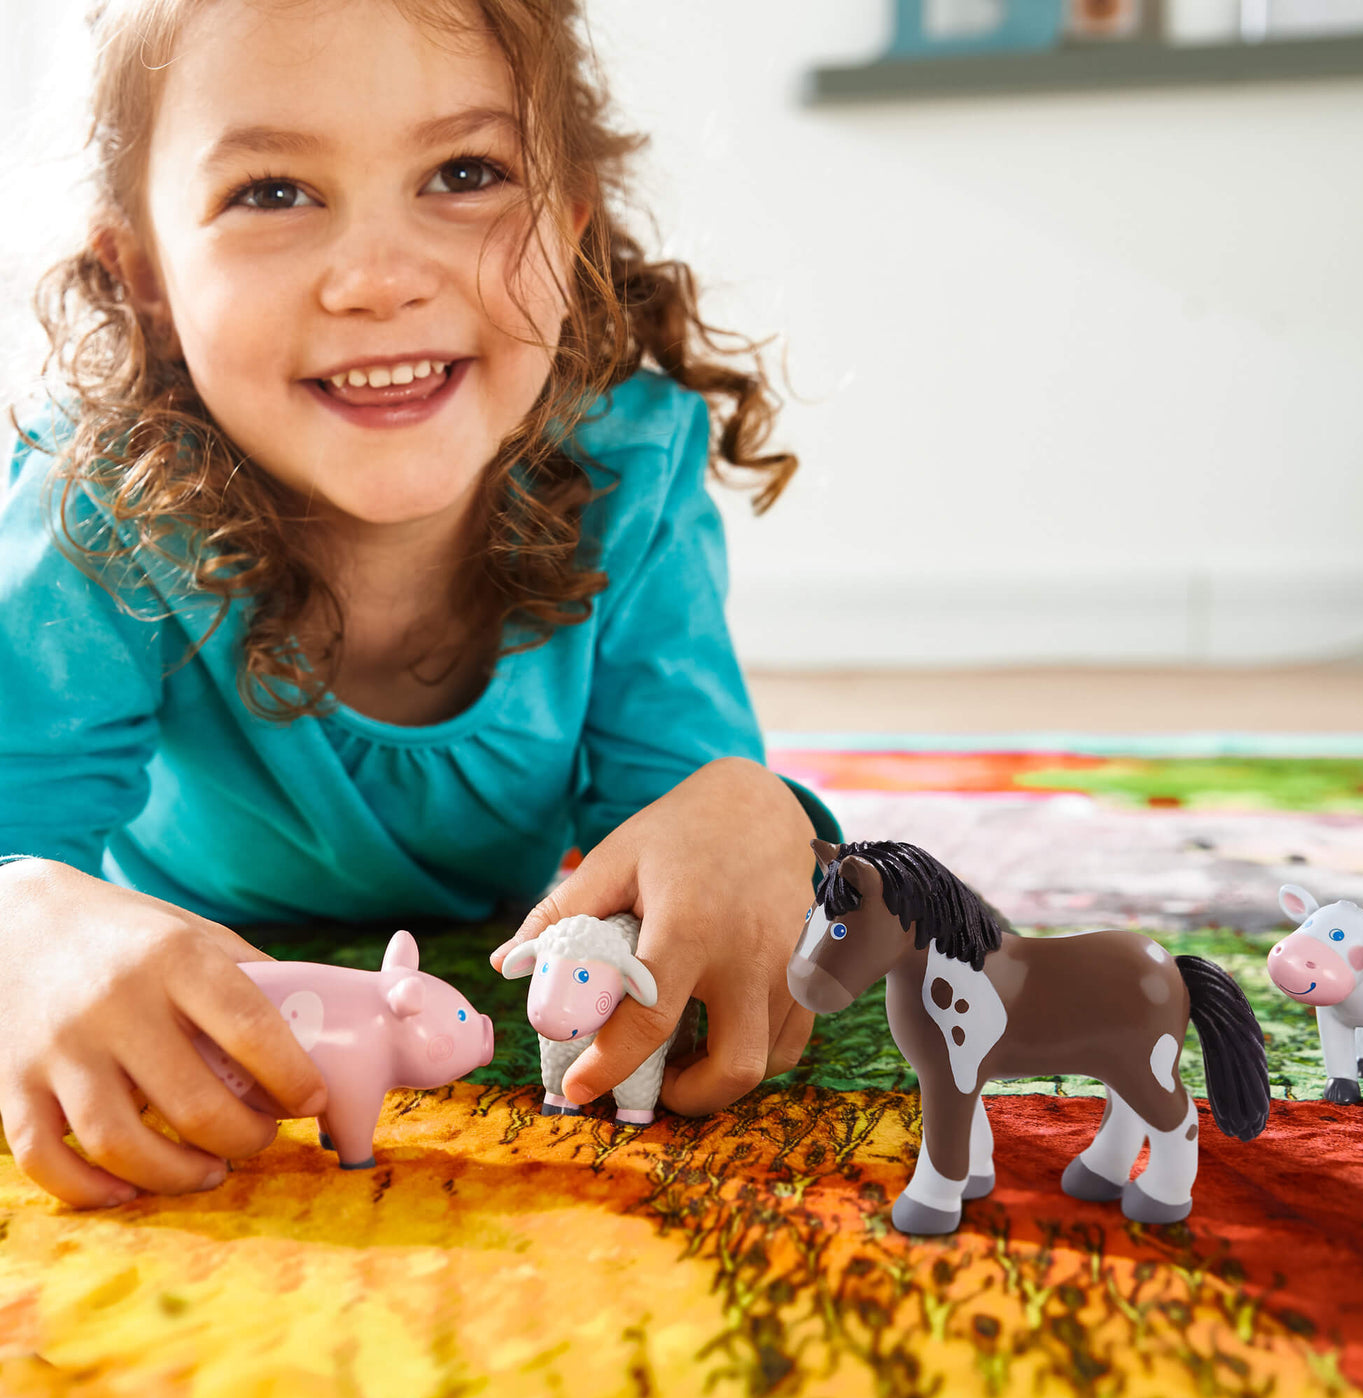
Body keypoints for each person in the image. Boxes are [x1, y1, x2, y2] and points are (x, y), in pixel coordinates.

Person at [0, 0, 838, 1210]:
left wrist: (751, 818)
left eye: (465, 172)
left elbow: (682, 840)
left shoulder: (632, 468)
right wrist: (21, 922)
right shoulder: (96, 495)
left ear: (571, 226)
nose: (379, 279)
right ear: (145, 275)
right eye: (273, 192)